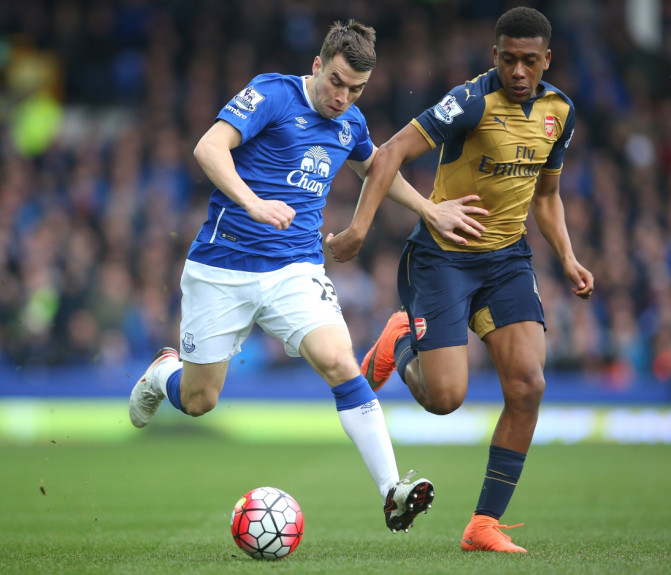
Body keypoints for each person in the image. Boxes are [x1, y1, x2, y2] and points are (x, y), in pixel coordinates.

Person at [126, 19, 481, 533]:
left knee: (340, 361)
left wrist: (430, 209)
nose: (342, 97)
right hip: (221, 266)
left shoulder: (351, 124)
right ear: (317, 66)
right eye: (336, 81)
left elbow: (377, 169)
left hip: (295, 269)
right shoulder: (272, 93)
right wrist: (253, 203)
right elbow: (209, 148)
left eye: (355, 89)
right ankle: (164, 372)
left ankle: (392, 490)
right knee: (200, 400)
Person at [326, 7, 594, 552]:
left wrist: (566, 255)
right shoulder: (470, 101)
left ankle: (482, 526)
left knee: (528, 385)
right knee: (445, 398)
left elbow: (546, 196)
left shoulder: (559, 112)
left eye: (529, 61)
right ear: (495, 56)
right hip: (443, 258)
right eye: (509, 59)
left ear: (546, 60)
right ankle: (401, 340)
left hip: (507, 261)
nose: (519, 71)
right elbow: (391, 152)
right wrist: (357, 230)